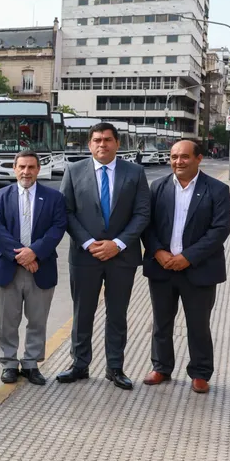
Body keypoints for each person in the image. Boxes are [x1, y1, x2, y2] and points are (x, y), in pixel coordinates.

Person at [57, 122, 150, 390]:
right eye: (96, 140)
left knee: (117, 314)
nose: (102, 144)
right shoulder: (74, 172)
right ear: (89, 144)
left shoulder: (135, 172)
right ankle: (79, 364)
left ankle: (115, 367)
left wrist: (117, 244)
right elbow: (67, 212)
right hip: (85, 256)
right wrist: (88, 243)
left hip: (122, 257)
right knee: (82, 312)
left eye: (108, 140)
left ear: (117, 144)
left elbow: (142, 214)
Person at [141, 140, 230, 393]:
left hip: (199, 270)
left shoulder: (217, 190)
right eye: (173, 157)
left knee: (198, 324)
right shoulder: (157, 187)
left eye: (184, 157)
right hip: (162, 267)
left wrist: (188, 257)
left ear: (198, 158)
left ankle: (200, 373)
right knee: (161, 322)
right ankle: (161, 367)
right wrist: (158, 251)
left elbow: (219, 230)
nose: (178, 162)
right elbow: (146, 224)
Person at [0, 151, 67, 386]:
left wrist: (35, 252)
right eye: (22, 166)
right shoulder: (0, 196)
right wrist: (22, 256)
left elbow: (57, 228)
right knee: (7, 321)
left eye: (31, 167)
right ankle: (9, 363)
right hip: (9, 268)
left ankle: (31, 363)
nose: (26, 171)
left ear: (38, 169)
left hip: (40, 268)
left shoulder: (53, 198)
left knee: (37, 319)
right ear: (14, 169)